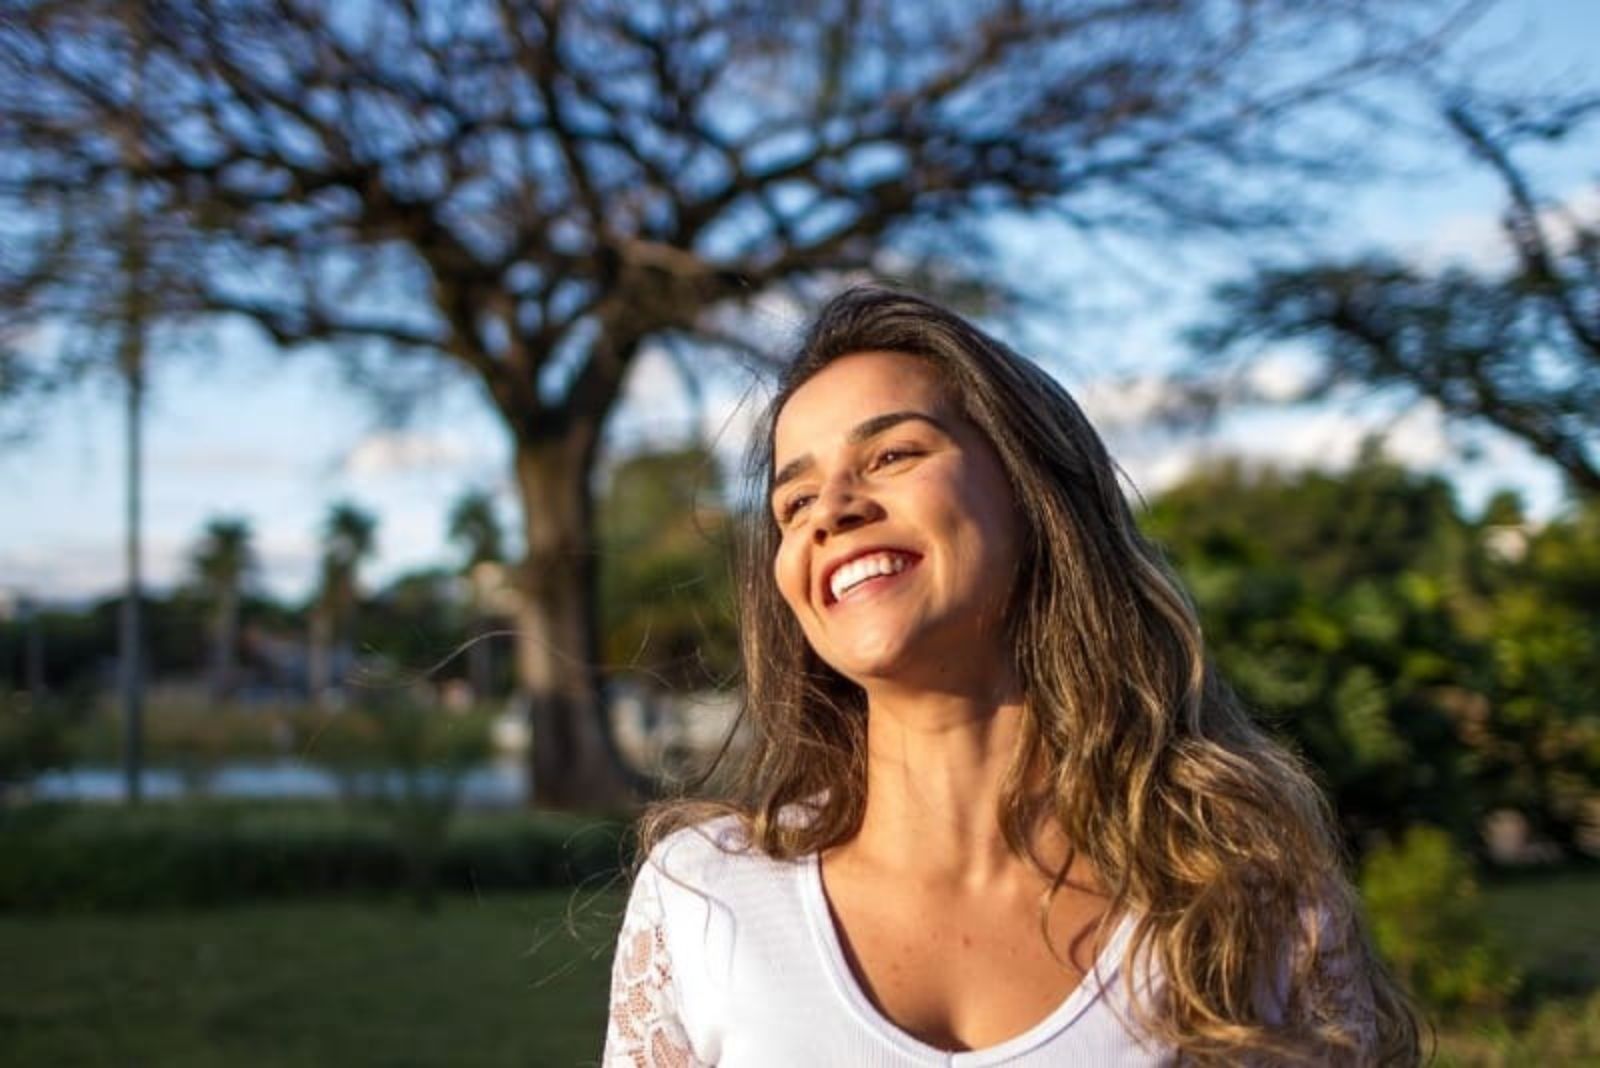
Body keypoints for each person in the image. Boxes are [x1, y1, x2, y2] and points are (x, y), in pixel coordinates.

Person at [602, 286, 1419, 1066]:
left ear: (1034, 497)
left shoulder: (1240, 901)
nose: (833, 509)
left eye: (891, 453)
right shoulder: (702, 898)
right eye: (794, 501)